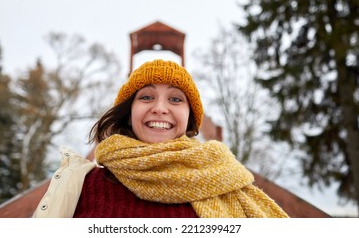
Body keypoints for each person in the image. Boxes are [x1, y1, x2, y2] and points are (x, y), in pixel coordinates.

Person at [33, 59, 289, 218]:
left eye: (176, 99)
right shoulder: (79, 184)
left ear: (189, 119)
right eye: (146, 97)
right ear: (128, 111)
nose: (160, 108)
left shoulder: (226, 182)